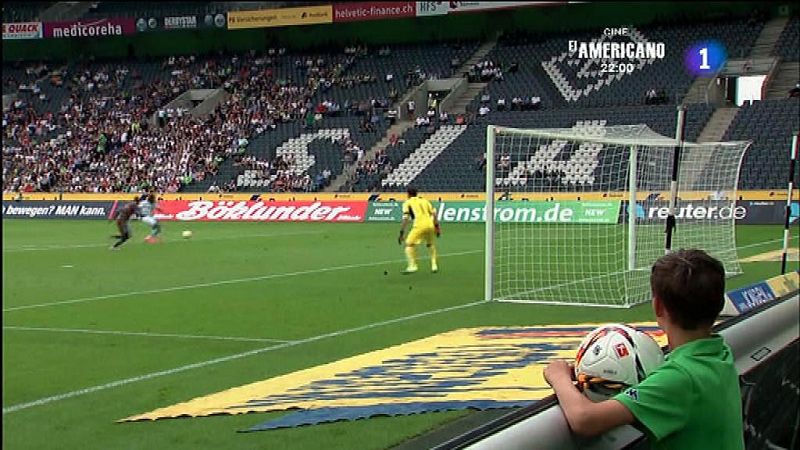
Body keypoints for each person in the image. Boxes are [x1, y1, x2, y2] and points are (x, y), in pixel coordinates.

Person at [544, 249, 744, 449]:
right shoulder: (719, 351)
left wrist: (558, 376)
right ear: (719, 304)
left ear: (657, 306)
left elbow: (585, 420)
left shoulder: (680, 378)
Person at [398, 187, 441, 274]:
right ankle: (434, 265)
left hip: (419, 225)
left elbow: (406, 218)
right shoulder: (425, 201)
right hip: (430, 225)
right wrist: (437, 227)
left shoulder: (407, 203)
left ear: (408, 194)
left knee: (409, 244)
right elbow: (434, 214)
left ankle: (412, 266)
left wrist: (401, 232)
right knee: (430, 244)